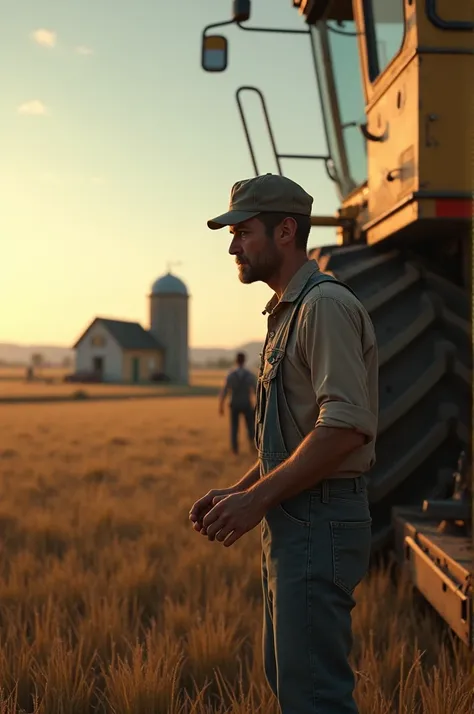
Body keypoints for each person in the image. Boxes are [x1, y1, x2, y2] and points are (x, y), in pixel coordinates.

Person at [189, 173, 379, 714]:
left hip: (319, 520)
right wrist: (240, 489)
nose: (232, 246)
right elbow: (295, 438)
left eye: (243, 232)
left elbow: (343, 428)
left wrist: (256, 500)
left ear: (286, 231)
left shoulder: (324, 308)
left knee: (314, 697)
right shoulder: (288, 311)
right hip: (293, 520)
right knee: (290, 680)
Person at [219, 352, 257, 454]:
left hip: (234, 404)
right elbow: (255, 391)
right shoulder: (249, 374)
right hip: (246, 403)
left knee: (234, 428)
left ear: (236, 360)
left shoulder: (231, 374)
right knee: (250, 428)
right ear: (244, 360)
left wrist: (221, 406)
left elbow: (225, 391)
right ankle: (252, 447)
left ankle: (235, 449)